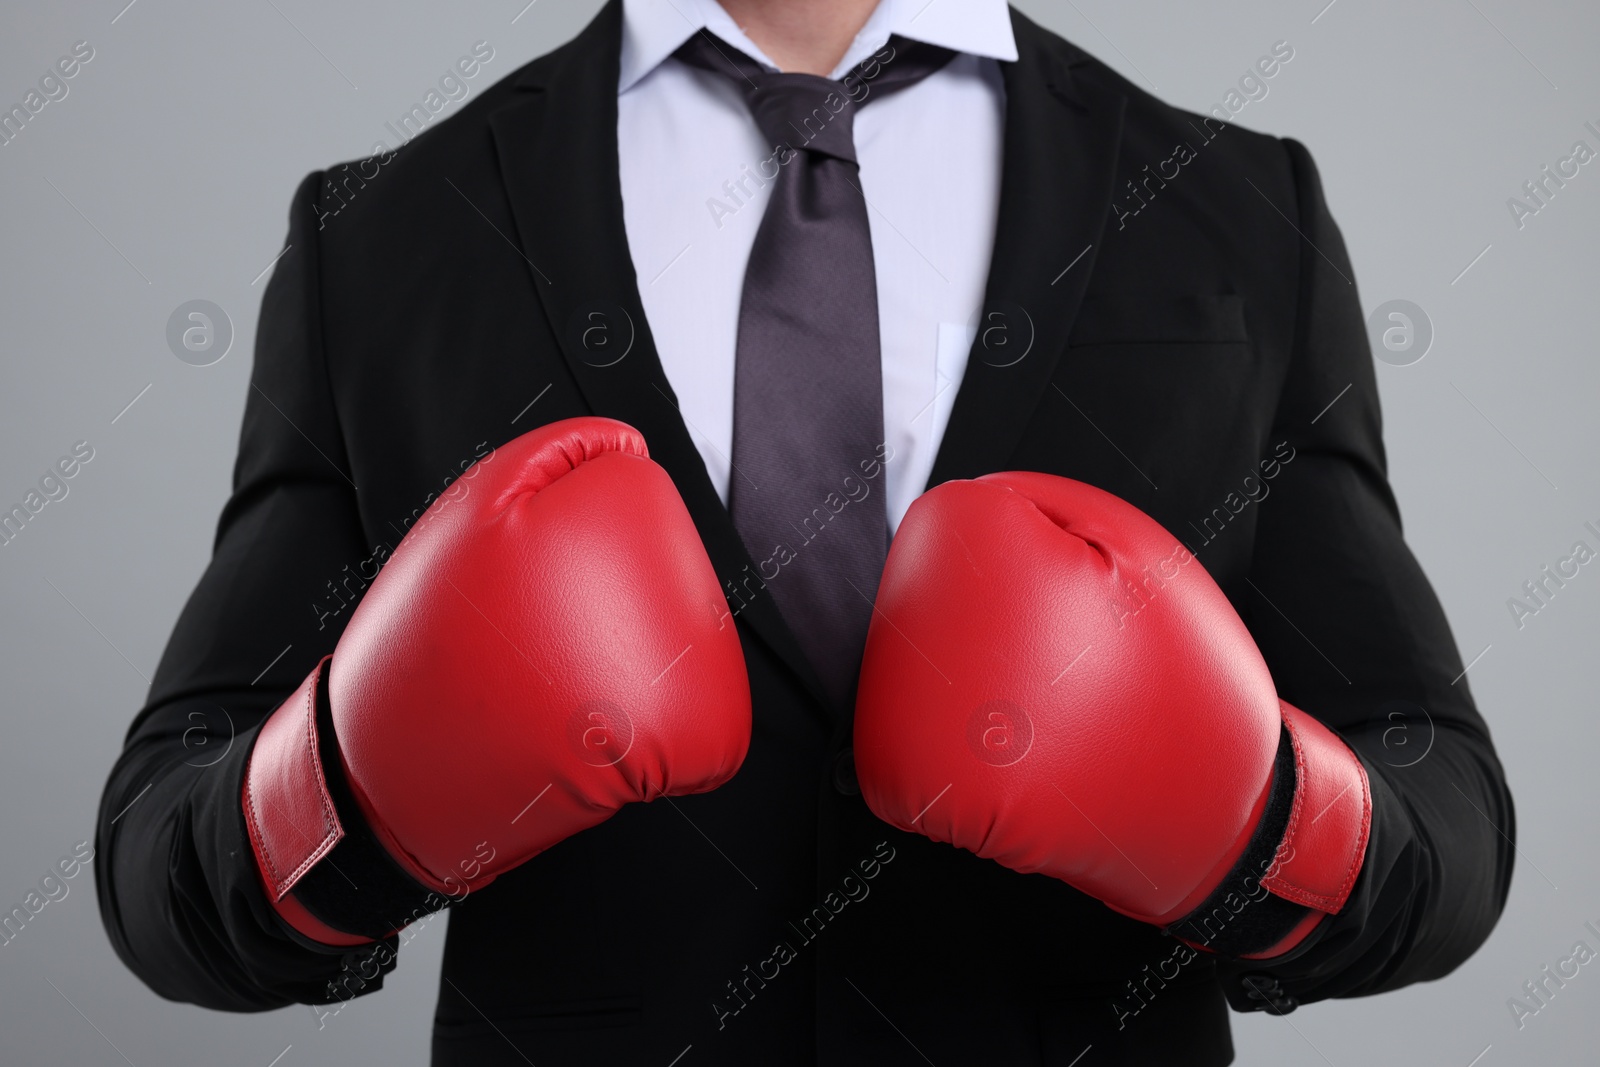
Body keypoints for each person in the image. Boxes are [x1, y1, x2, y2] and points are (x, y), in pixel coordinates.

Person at [95, 1, 1514, 1064]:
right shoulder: (390, 235)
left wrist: (1254, 817)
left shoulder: (1237, 209)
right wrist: (360, 783)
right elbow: (161, 855)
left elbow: (1442, 804)